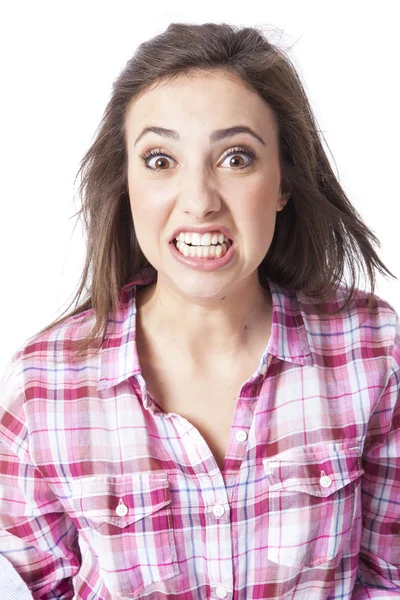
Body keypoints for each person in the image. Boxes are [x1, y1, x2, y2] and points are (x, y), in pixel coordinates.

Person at [0, 21, 399, 600]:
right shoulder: (40, 393)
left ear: (284, 179)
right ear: (128, 183)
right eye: (161, 160)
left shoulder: (374, 350)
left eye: (236, 157)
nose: (199, 201)